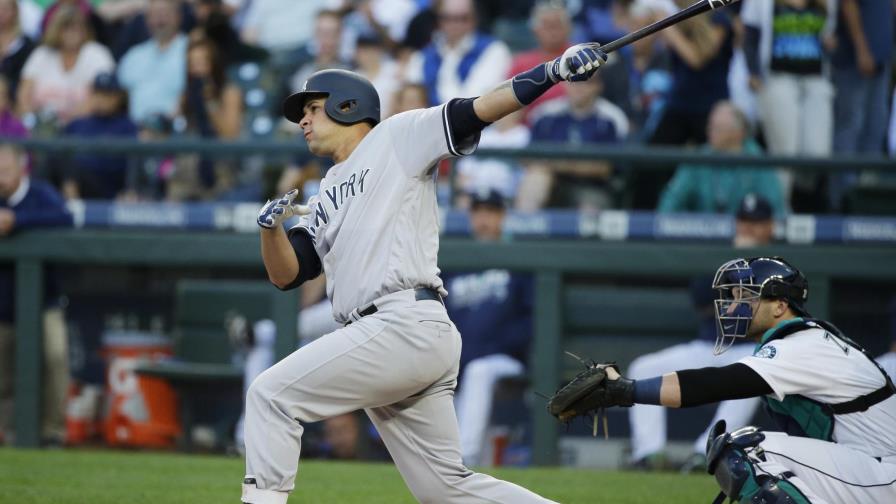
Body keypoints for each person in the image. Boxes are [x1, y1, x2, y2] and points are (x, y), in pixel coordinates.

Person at [243, 36, 608, 503]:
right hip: (395, 336)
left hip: (401, 324)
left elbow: (478, 109)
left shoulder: (397, 136)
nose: (304, 121)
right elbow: (288, 275)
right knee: (446, 491)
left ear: (347, 106)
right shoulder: (325, 189)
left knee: (271, 395)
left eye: (312, 108)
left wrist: (552, 71)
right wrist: (269, 231)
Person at [551, 256, 896, 503]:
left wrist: (626, 391)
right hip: (867, 466)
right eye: (732, 298)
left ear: (779, 306)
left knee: (747, 449)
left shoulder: (802, 344)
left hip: (884, 472)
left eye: (745, 298)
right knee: (765, 458)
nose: (733, 308)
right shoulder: (803, 339)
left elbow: (719, 383)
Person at [627, 193, 773, 471]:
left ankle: (703, 453)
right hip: (709, 346)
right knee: (644, 367)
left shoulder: (781, 263)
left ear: (770, 226)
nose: (748, 229)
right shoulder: (720, 254)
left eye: (756, 223)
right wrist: (735, 258)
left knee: (755, 377)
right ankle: (649, 455)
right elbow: (701, 298)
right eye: (744, 221)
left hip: (753, 350)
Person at [446, 189, 533, 466]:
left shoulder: (521, 260)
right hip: (458, 361)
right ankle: (452, 467)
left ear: (503, 217)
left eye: (491, 212)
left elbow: (533, 319)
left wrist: (493, 345)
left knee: (479, 371)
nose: (484, 219)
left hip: (504, 359)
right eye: (478, 212)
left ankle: (464, 459)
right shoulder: (454, 263)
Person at [0, 141, 73, 446]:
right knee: (3, 372)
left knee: (55, 357)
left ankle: (52, 432)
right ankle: (7, 431)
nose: (0, 177)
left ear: (21, 167)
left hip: (44, 300)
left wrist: (18, 221)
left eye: (4, 170)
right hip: (2, 304)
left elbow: (66, 219)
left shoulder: (40, 194)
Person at [741, 0, 836, 212]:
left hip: (815, 80)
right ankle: (779, 212)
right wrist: (753, 72)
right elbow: (750, 38)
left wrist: (831, 46)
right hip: (778, 78)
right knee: (784, 152)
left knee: (817, 153)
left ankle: (801, 203)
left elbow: (829, 36)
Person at [516, 72, 628, 212]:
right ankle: (526, 228)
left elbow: (604, 168)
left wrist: (554, 164)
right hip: (551, 182)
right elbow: (527, 158)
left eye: (586, 82)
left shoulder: (611, 118)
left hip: (592, 187)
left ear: (598, 86)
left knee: (589, 209)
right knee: (535, 179)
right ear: (564, 83)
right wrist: (576, 164)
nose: (579, 87)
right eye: (573, 80)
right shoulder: (546, 114)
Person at [656, 100, 785, 217]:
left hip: (747, 235)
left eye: (717, 128)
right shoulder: (700, 158)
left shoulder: (758, 161)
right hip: (701, 237)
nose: (709, 131)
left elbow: (777, 209)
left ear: (738, 133)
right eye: (710, 126)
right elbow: (672, 200)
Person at [16, 3, 114, 128]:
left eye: (77, 28)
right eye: (67, 28)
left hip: (84, 127)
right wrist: (35, 120)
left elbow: (103, 97)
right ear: (56, 30)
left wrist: (65, 122)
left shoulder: (96, 53)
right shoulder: (42, 54)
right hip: (39, 127)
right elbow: (23, 95)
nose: (72, 33)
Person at [405, 0, 512, 106]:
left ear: (474, 19)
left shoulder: (494, 50)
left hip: (475, 121)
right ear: (438, 20)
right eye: (447, 18)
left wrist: (452, 57)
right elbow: (412, 98)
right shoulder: (425, 55)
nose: (454, 24)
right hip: (430, 120)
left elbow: (474, 101)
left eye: (463, 18)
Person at [61, 72, 139, 200]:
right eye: (98, 93)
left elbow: (131, 163)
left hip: (108, 184)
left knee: (75, 166)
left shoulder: (128, 126)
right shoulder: (78, 124)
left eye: (107, 94)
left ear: (118, 97)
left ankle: (73, 207)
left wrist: (130, 189)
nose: (101, 99)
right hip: (76, 180)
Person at [117, 0, 188, 123]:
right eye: (154, 15)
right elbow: (117, 97)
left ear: (178, 17)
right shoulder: (133, 56)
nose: (160, 20)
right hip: (135, 133)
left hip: (178, 133)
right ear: (146, 20)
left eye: (165, 13)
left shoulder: (191, 50)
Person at [506, 0, 572, 124]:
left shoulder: (580, 57)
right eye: (546, 25)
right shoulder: (521, 63)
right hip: (529, 135)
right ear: (535, 29)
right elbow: (508, 107)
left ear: (569, 27)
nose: (553, 31)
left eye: (557, 24)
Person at [0, 0, 35, 104]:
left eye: (5, 9)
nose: (1, 12)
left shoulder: (26, 44)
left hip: (13, 98)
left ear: (15, 12)